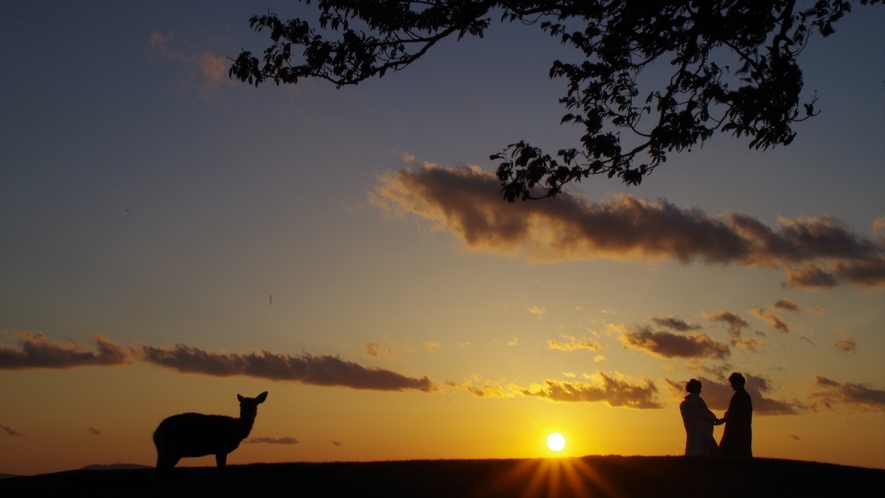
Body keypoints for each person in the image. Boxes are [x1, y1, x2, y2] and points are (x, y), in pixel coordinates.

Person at [679, 379, 723, 456]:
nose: (700, 390)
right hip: (700, 430)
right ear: (694, 388)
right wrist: (715, 419)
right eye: (699, 388)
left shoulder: (689, 401)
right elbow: (704, 412)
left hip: (694, 430)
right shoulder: (695, 400)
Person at [719, 372, 753, 457]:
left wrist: (725, 419)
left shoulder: (741, 396)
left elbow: (736, 413)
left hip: (738, 429)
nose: (732, 386)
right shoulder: (741, 395)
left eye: (732, 383)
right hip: (738, 428)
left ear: (737, 383)